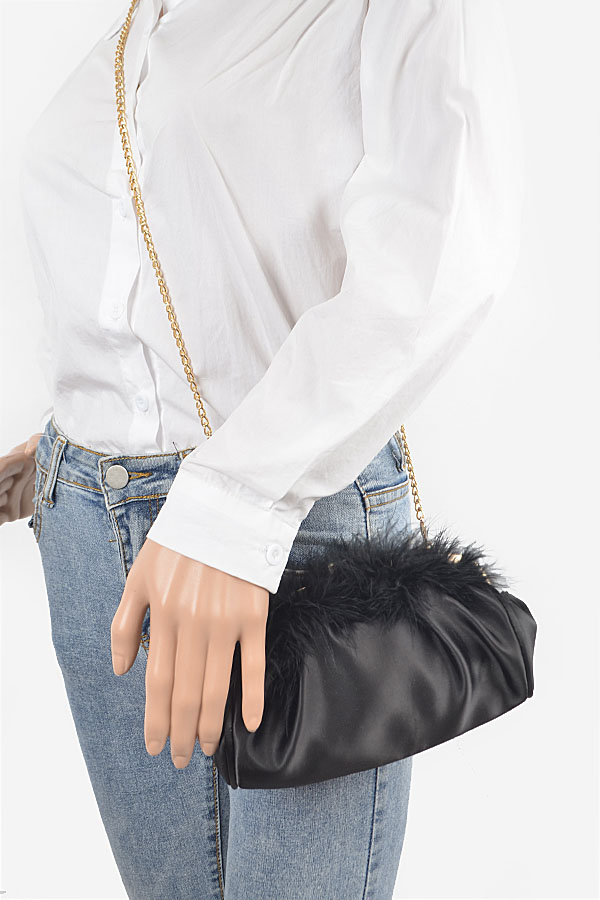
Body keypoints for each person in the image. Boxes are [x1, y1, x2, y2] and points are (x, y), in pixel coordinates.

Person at [0, 0, 524, 897]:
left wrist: (235, 495)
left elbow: (441, 253)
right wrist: (75, 432)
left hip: (284, 526)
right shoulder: (141, 25)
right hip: (91, 531)